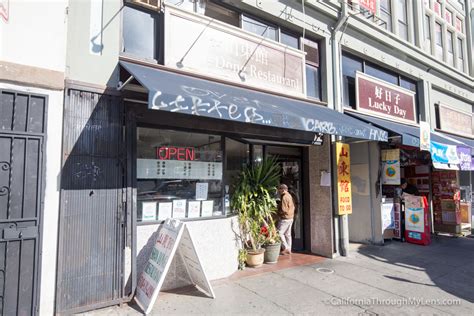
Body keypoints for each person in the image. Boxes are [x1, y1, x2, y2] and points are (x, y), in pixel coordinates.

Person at [277, 184, 295, 255]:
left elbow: (284, 209)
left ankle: (286, 248)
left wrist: (279, 213)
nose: (279, 191)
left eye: (279, 190)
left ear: (283, 190)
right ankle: (289, 248)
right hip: (291, 217)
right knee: (288, 234)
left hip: (285, 218)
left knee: (279, 233)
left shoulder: (284, 197)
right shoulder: (289, 195)